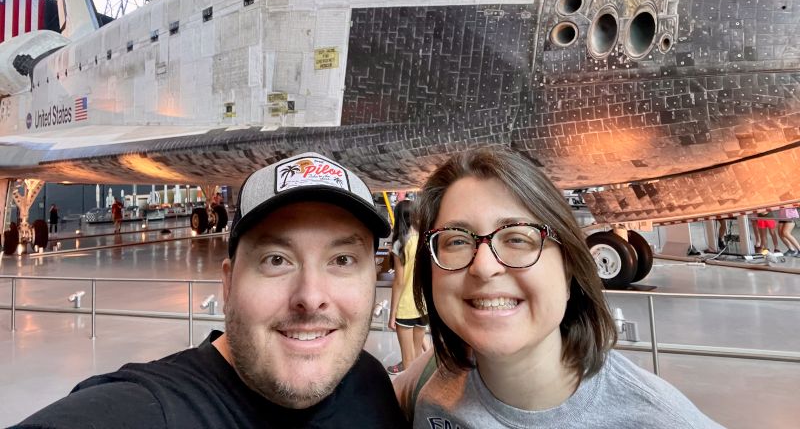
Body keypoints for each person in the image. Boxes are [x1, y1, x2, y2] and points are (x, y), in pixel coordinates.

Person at [15, 152, 409, 428]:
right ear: (227, 282)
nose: (310, 296)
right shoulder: (152, 407)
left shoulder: (368, 383)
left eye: (342, 260)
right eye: (276, 259)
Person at [393, 146, 722, 428]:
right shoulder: (429, 380)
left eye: (518, 238)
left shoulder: (658, 419)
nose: (484, 266)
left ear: (569, 269)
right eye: (457, 241)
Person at [387, 199, 427, 375]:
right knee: (417, 355)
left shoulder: (399, 244)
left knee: (408, 360)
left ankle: (409, 399)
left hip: (406, 307)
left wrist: (392, 313)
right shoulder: (423, 240)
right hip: (422, 306)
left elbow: (399, 281)